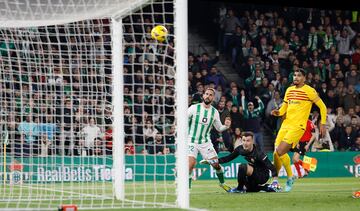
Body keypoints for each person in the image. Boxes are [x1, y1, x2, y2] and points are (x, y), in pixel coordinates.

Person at [270, 68, 327, 192]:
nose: (295, 77)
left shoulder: (309, 91)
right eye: (294, 75)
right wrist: (278, 112)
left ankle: (280, 178)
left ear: (304, 78)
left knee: (280, 151)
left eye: (299, 75)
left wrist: (322, 124)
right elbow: (284, 107)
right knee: (276, 153)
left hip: (298, 127)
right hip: (285, 125)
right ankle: (282, 179)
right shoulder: (289, 90)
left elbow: (323, 107)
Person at [200, 132, 278, 193]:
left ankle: (239, 188)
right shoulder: (240, 149)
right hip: (253, 174)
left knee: (243, 166)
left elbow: (271, 166)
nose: (245, 143)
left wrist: (275, 181)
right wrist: (213, 161)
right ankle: (267, 188)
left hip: (263, 175)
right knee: (250, 190)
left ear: (252, 141)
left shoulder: (259, 153)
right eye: (243, 140)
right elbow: (228, 158)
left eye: (248, 141)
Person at [188, 88, 231, 191]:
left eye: (210, 95)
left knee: (216, 164)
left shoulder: (214, 112)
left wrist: (226, 126)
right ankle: (187, 187)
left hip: (205, 142)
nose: (208, 96)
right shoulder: (194, 108)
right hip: (191, 141)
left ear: (213, 98)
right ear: (203, 96)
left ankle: (222, 183)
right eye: (206, 94)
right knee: (191, 164)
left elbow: (219, 128)